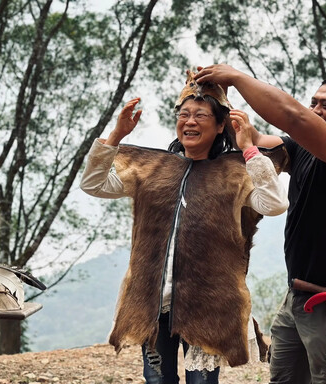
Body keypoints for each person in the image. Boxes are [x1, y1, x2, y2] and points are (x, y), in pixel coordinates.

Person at [80, 72, 289, 384]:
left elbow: (274, 204)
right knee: (157, 380)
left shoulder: (234, 172)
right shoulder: (152, 168)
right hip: (152, 301)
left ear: (221, 125)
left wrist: (248, 148)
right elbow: (93, 183)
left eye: (200, 115)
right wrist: (116, 135)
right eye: (184, 114)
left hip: (209, 304)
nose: (189, 121)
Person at [195, 64, 326, 384]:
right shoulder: (303, 151)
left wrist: (237, 78)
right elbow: (258, 140)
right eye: (313, 103)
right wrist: (218, 105)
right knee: (283, 377)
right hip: (299, 294)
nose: (315, 110)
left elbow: (293, 116)